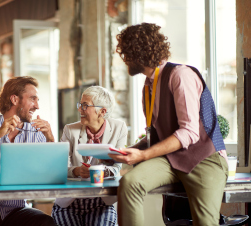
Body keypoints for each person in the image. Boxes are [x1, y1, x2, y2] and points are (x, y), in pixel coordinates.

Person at [109, 23, 228, 226]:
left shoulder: (180, 76)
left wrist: (144, 155)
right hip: (171, 160)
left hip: (205, 159)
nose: (123, 59)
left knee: (205, 223)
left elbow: (189, 133)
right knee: (129, 183)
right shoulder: (148, 88)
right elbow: (155, 136)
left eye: (125, 53)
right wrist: (130, 151)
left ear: (137, 54)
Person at [0, 76, 56, 226]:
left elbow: (50, 172)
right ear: (15, 100)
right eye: (33, 99)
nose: (37, 106)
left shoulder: (36, 133)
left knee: (46, 223)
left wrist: (50, 139)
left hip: (16, 210)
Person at [51, 86, 127, 226]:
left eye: (85, 106)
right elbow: (59, 167)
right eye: (80, 105)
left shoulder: (119, 128)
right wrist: (77, 171)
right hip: (69, 203)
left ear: (102, 111)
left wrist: (100, 171)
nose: (80, 109)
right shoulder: (70, 130)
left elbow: (117, 167)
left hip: (101, 202)